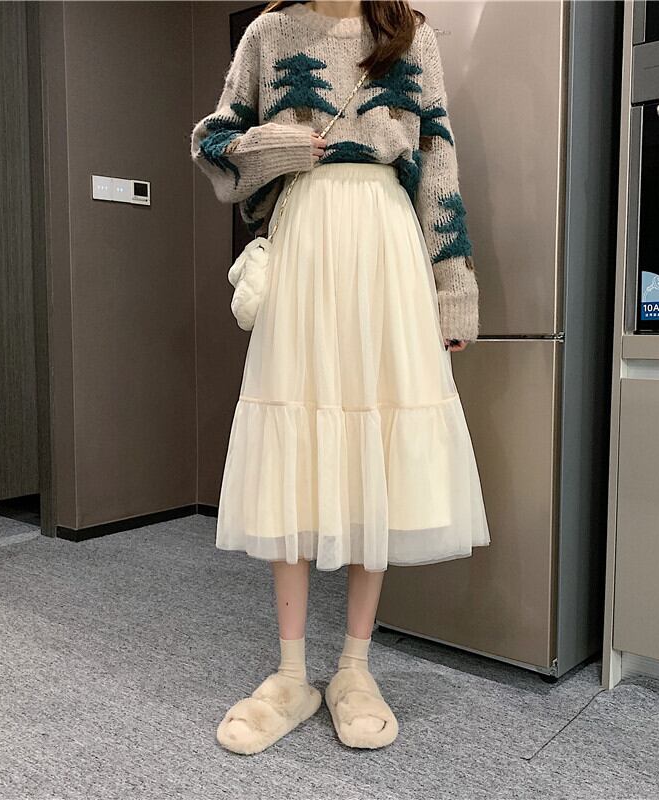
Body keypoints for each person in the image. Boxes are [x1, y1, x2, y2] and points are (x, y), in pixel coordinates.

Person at [190, 0, 490, 755]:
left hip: (388, 246)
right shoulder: (268, 33)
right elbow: (213, 143)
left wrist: (453, 287)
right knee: (293, 440)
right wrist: (281, 145)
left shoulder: (410, 34)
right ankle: (292, 674)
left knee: (375, 441)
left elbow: (438, 159)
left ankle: (355, 666)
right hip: (304, 242)